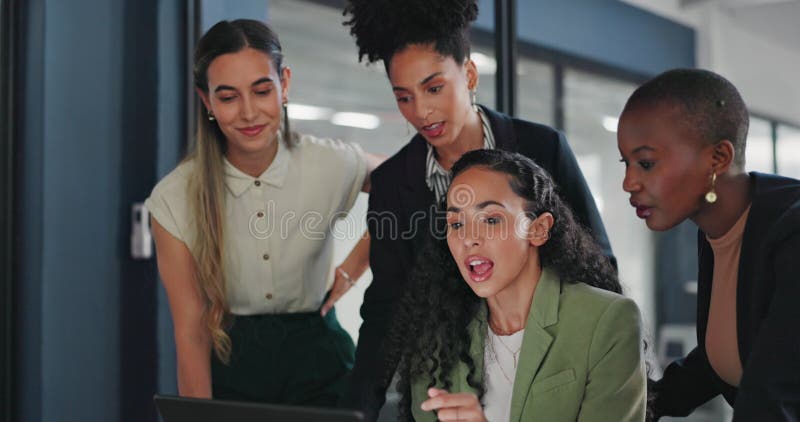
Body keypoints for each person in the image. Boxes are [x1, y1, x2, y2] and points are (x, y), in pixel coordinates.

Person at [341, 0, 614, 417]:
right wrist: (359, 410)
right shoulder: (394, 183)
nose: (421, 111)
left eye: (434, 88)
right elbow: (385, 308)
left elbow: (596, 265)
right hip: (447, 377)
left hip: (548, 364)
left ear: (468, 74)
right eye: (404, 97)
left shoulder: (542, 148)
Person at [146, 19, 381, 406]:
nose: (249, 112)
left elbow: (412, 189)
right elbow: (190, 332)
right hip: (231, 371)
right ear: (206, 101)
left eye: (261, 90)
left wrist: (355, 264)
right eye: (228, 97)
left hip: (323, 368)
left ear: (284, 84)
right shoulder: (174, 198)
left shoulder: (331, 162)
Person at [383, 149, 645, 422]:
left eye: (491, 220)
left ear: (539, 229)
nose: (468, 239)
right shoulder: (437, 333)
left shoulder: (608, 320)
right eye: (456, 223)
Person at [617, 68, 800, 420]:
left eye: (646, 163)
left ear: (718, 158)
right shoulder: (719, 227)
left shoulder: (792, 235)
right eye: (625, 163)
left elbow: (773, 394)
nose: (629, 182)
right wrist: (637, 405)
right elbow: (732, 352)